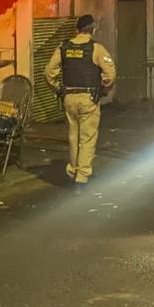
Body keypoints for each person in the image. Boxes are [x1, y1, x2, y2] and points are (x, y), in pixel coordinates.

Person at [44, 14, 116, 192]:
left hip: (69, 97)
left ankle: (73, 171)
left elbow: (48, 72)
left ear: (77, 30)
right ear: (92, 30)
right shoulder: (96, 49)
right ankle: (81, 178)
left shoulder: (63, 47)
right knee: (87, 138)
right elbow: (110, 74)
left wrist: (57, 89)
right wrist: (104, 88)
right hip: (89, 98)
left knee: (73, 137)